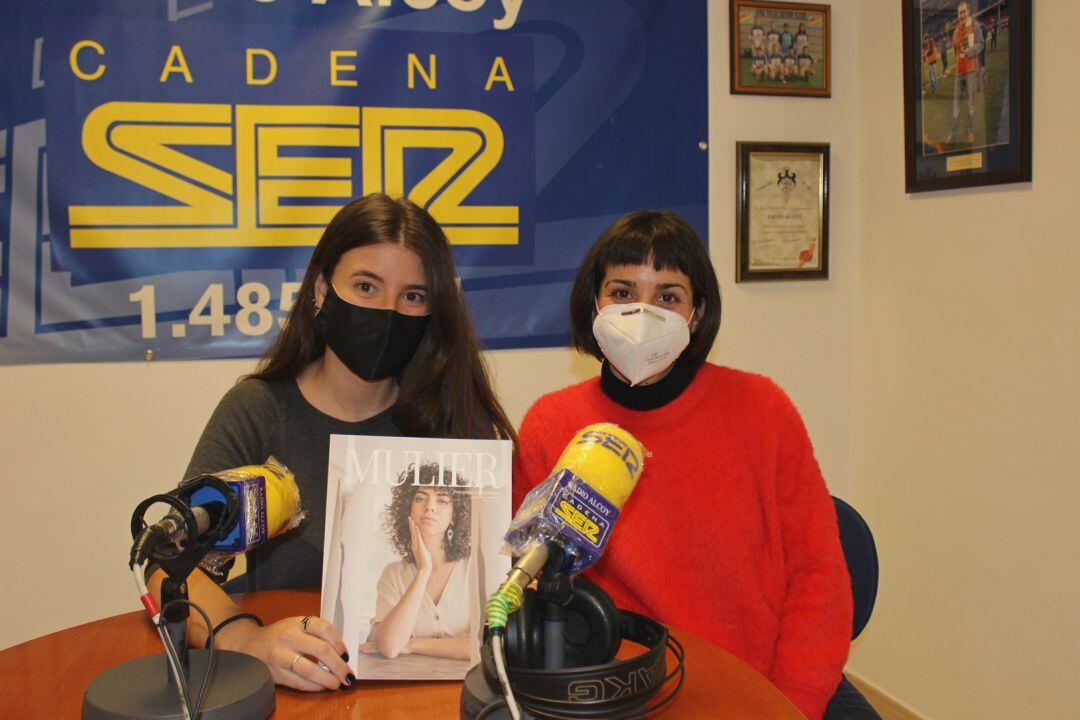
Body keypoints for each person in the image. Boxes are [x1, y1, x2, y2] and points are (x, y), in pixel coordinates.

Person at [512, 211, 878, 720]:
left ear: (697, 313)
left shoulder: (763, 411)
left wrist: (787, 705)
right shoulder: (552, 423)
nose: (641, 312)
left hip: (759, 689)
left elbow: (819, 577)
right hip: (623, 695)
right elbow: (526, 581)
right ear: (592, 303)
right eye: (621, 292)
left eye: (667, 296)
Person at [149, 193, 515, 691]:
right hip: (292, 682)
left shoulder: (452, 419)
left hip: (426, 689)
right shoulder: (259, 410)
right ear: (321, 289)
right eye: (366, 286)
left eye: (412, 296)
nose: (388, 312)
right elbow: (170, 568)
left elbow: (499, 584)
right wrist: (246, 641)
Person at [362, 464, 473, 660]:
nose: (429, 506)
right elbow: (389, 647)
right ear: (408, 509)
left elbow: (485, 646)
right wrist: (423, 570)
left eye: (442, 501)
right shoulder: (394, 574)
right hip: (406, 686)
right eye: (420, 498)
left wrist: (412, 644)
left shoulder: (474, 568)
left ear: (454, 516)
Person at [948, 1, 984, 144]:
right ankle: (953, 133)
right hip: (959, 73)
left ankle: (970, 131)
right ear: (958, 15)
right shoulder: (955, 32)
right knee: (956, 104)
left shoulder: (975, 26)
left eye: (964, 12)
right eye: (960, 13)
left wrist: (969, 51)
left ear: (968, 12)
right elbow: (957, 52)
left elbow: (981, 44)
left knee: (970, 103)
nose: (962, 15)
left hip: (970, 71)